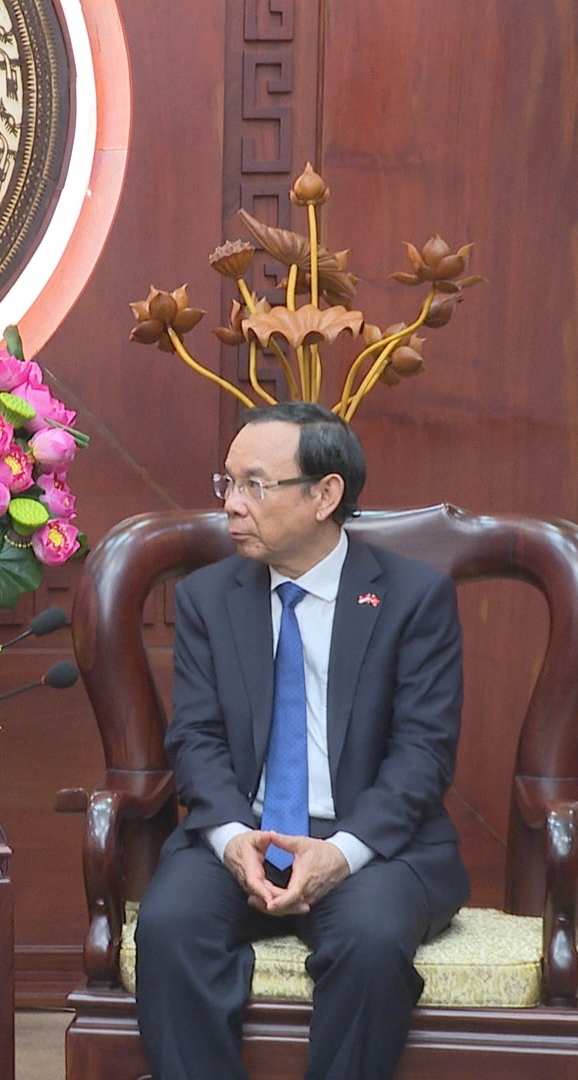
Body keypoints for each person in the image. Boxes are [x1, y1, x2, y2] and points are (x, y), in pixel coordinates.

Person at [134, 402, 469, 1080]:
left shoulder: (413, 598)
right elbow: (195, 739)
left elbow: (423, 754)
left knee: (371, 941)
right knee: (169, 925)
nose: (232, 504)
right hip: (244, 829)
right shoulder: (207, 598)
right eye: (227, 483)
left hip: (369, 843)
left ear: (325, 495)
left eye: (255, 485)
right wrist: (233, 839)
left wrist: (341, 853)